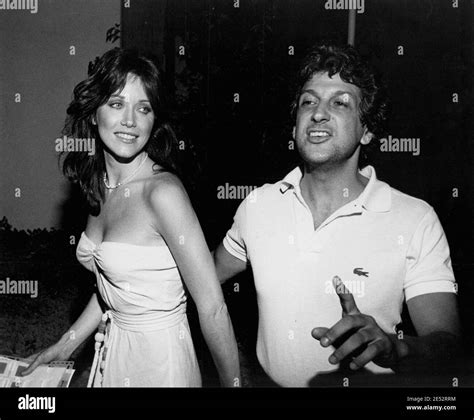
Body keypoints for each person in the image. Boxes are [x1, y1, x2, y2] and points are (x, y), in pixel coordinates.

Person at [213, 44, 462, 387]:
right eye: (308, 101)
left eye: (340, 103)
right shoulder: (258, 206)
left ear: (367, 129)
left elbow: (445, 343)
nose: (318, 113)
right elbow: (203, 281)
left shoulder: (415, 219)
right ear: (294, 126)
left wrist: (395, 348)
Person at [22, 48, 240, 387]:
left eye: (144, 108)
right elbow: (113, 287)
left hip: (160, 363)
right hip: (113, 349)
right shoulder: (99, 185)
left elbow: (212, 307)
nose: (130, 121)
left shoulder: (162, 193)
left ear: (154, 121)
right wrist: (62, 346)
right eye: (116, 104)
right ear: (94, 114)